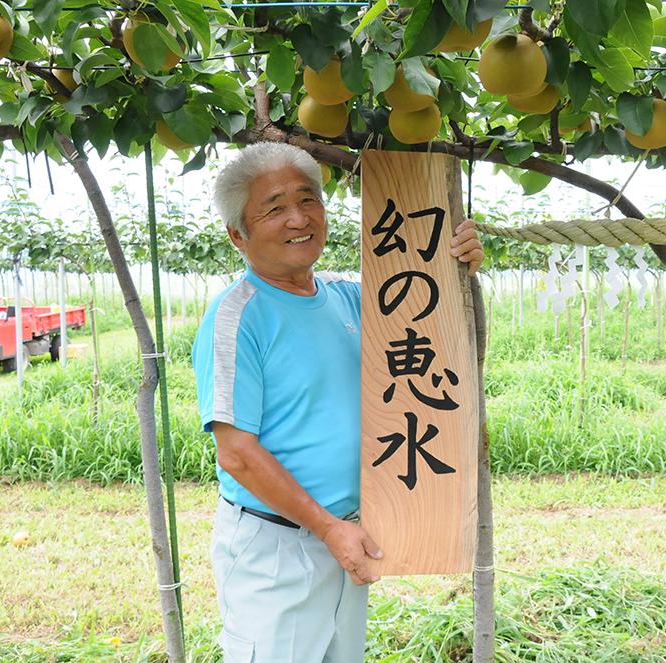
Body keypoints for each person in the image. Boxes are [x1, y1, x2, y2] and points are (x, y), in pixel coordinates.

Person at [191, 141, 484, 663]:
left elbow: (435, 334)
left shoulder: (350, 296)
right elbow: (235, 453)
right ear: (238, 234)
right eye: (274, 207)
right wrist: (327, 528)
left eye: (309, 200)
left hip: (348, 532)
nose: (298, 218)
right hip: (278, 546)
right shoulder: (237, 319)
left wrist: (457, 267)